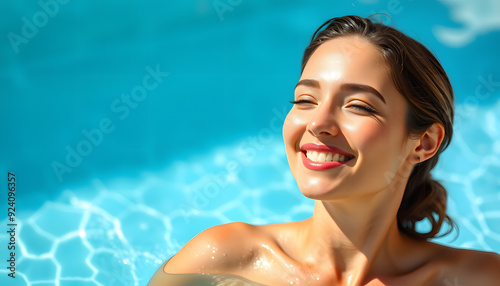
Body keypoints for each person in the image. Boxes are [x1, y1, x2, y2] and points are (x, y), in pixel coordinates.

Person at [148, 15, 500, 285]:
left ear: (424, 143)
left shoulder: (478, 277)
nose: (318, 123)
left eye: (359, 106)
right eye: (305, 99)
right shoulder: (226, 258)